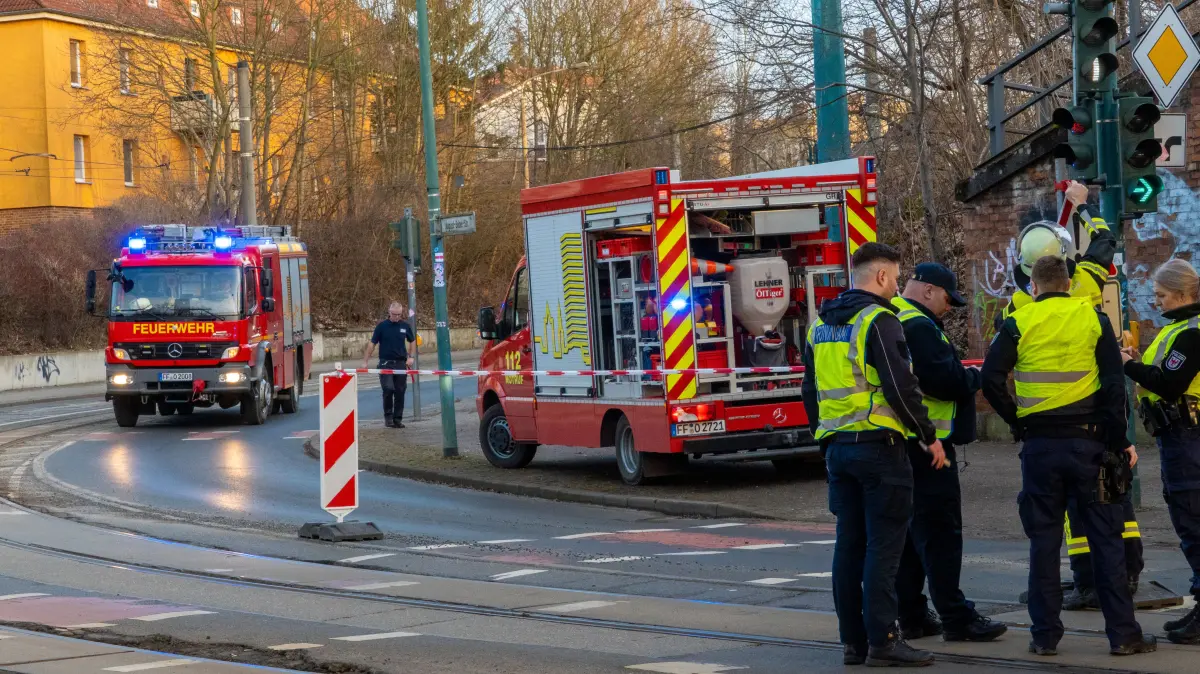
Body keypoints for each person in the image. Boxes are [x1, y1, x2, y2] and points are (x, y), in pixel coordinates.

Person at [982, 256, 1155, 657]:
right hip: (1092, 444)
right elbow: (1114, 386)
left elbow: (990, 378)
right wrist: (1120, 440)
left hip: (1040, 448)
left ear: (1034, 286)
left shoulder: (1019, 322)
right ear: (1069, 282)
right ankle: (1124, 636)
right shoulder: (1093, 320)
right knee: (1106, 541)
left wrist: (1017, 420)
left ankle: (1044, 637)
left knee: (1043, 544)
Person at [801, 242, 948, 667]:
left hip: (838, 452)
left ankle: (854, 643)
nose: (898, 286)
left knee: (849, 546)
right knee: (884, 550)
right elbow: (901, 386)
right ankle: (884, 640)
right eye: (897, 278)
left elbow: (810, 391)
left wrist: (824, 437)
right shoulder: (879, 321)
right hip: (879, 451)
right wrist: (928, 435)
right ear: (882, 276)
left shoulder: (820, 325)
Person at [890, 263, 1008, 643]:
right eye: (945, 298)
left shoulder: (892, 316)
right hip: (931, 448)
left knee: (910, 537)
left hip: (903, 444)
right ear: (927, 291)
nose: (948, 307)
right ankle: (957, 618)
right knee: (941, 535)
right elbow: (943, 381)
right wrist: (977, 376)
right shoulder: (920, 326)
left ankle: (911, 615)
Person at [1121, 259, 1200, 644]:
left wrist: (1129, 365)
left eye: (1162, 296)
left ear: (1183, 295)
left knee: (1193, 522)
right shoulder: (1181, 330)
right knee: (1190, 521)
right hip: (1181, 437)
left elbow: (1169, 383)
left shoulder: (1192, 334)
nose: (1158, 303)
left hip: (1188, 439)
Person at [363, 301, 416, 428]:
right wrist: (365, 361)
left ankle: (397, 419)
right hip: (385, 363)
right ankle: (388, 417)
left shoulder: (405, 326)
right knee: (388, 389)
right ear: (389, 312)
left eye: (399, 314)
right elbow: (372, 344)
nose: (396, 317)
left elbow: (412, 341)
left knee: (400, 391)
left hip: (400, 363)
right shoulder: (382, 326)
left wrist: (411, 357)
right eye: (394, 314)